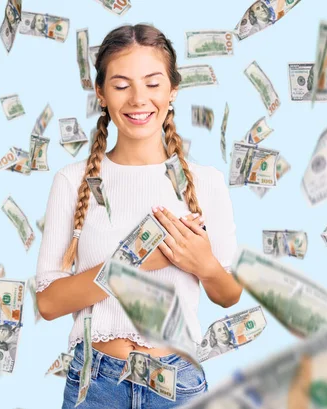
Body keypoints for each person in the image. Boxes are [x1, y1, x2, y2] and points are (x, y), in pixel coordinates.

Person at [35, 24, 241, 409]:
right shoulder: (72, 181)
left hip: (176, 384)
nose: (138, 99)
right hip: (95, 383)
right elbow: (48, 303)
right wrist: (141, 259)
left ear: (172, 90)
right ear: (100, 93)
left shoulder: (206, 182)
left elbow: (228, 294)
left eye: (152, 83)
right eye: (120, 84)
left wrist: (205, 266)